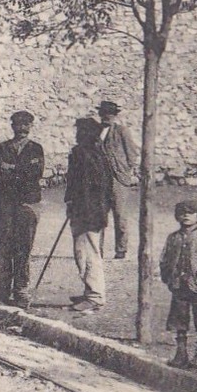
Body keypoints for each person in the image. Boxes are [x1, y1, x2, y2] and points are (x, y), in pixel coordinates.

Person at [0, 111, 44, 307]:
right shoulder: (2, 148)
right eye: (18, 124)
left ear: (30, 126)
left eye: (26, 124)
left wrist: (10, 168)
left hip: (26, 205)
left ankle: (20, 290)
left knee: (23, 248)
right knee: (2, 247)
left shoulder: (36, 149)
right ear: (12, 126)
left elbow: (35, 173)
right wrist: (19, 169)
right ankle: (0, 290)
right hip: (4, 205)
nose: (22, 128)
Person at [159, 200, 197, 369]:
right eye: (181, 213)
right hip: (179, 286)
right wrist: (168, 278)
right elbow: (164, 260)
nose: (185, 216)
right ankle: (181, 352)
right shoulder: (173, 238)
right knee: (179, 319)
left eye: (190, 212)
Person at [64, 117, 113, 314]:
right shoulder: (99, 153)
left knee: (87, 254)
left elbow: (84, 185)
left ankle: (94, 297)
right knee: (84, 252)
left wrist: (75, 204)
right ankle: (89, 291)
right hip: (91, 211)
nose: (76, 134)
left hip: (87, 213)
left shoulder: (83, 154)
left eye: (80, 131)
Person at [95, 101, 139, 258]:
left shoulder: (122, 131)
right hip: (99, 180)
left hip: (118, 178)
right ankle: (97, 250)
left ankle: (121, 250)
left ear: (114, 116)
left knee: (120, 215)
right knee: (99, 215)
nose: (106, 116)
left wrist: (127, 172)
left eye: (110, 113)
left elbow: (132, 153)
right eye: (104, 113)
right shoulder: (94, 131)